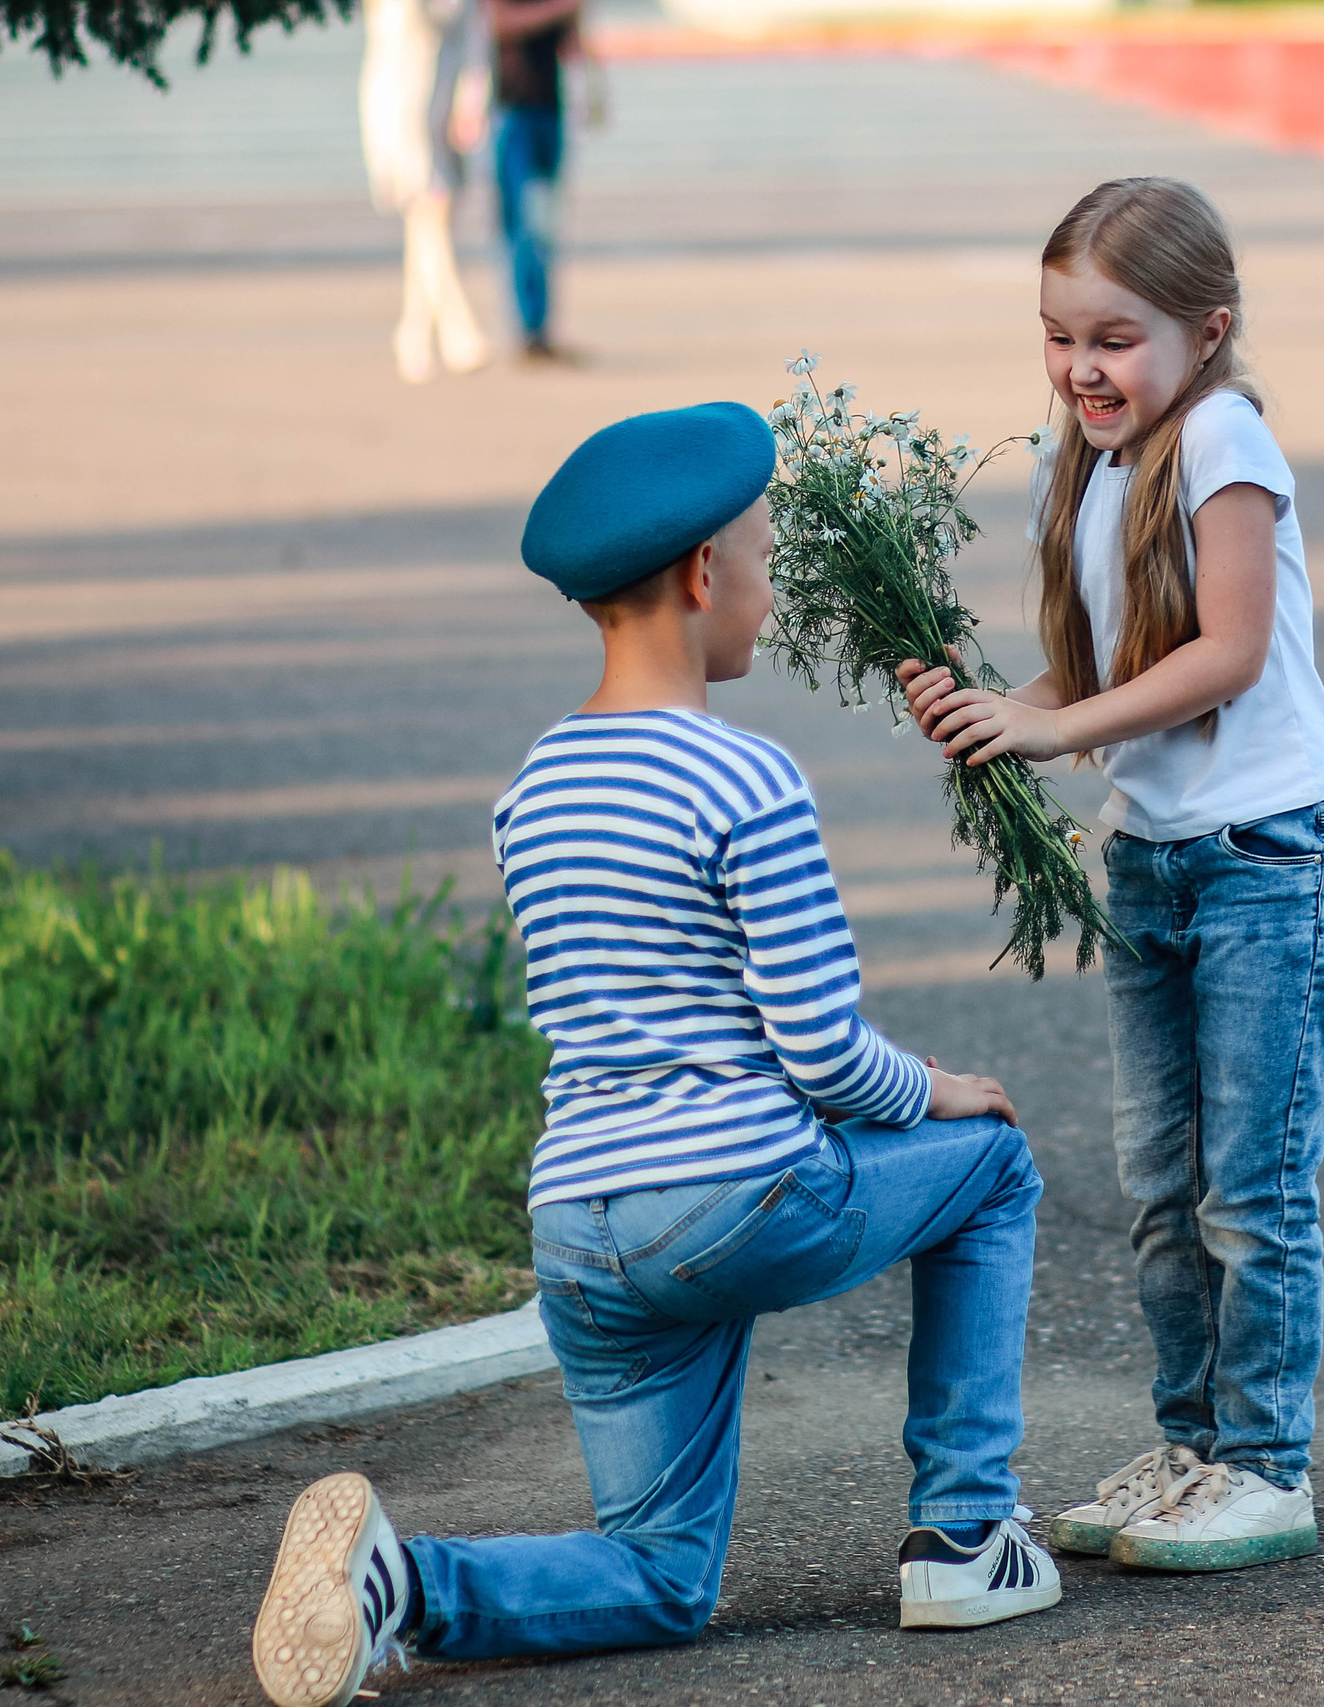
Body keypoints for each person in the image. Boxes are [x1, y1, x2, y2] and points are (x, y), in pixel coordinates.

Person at [250, 403, 1060, 1707]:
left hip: (583, 1225)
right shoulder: (744, 778)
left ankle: (400, 1584)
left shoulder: (535, 788)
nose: (769, 583)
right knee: (994, 1163)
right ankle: (967, 1533)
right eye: (760, 555)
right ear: (699, 576)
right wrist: (941, 1092)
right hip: (736, 1197)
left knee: (662, 1572)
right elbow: (820, 1049)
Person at [900, 177, 1324, 1575]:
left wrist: (1051, 724)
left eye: (1113, 338)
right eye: (1059, 337)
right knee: (1161, 1183)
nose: (1081, 367)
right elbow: (1111, 675)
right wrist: (999, 708)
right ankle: (1192, 1445)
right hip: (1158, 864)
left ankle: (1266, 1464)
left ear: (1206, 330)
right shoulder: (1091, 462)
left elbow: (1221, 654)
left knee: (1253, 1188)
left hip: (1268, 860)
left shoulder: (1223, 435)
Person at [360, 0, 491, 384]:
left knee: (430, 223)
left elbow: (473, 45)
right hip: (401, 115)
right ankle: (458, 330)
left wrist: (471, 104)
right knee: (426, 215)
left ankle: (412, 334)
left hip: (442, 113)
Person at [485, 0, 594, 361]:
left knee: (546, 225)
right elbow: (498, 23)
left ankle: (543, 330)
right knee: (522, 228)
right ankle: (529, 330)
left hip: (551, 110)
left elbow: (573, 47)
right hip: (513, 112)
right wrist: (561, 9)